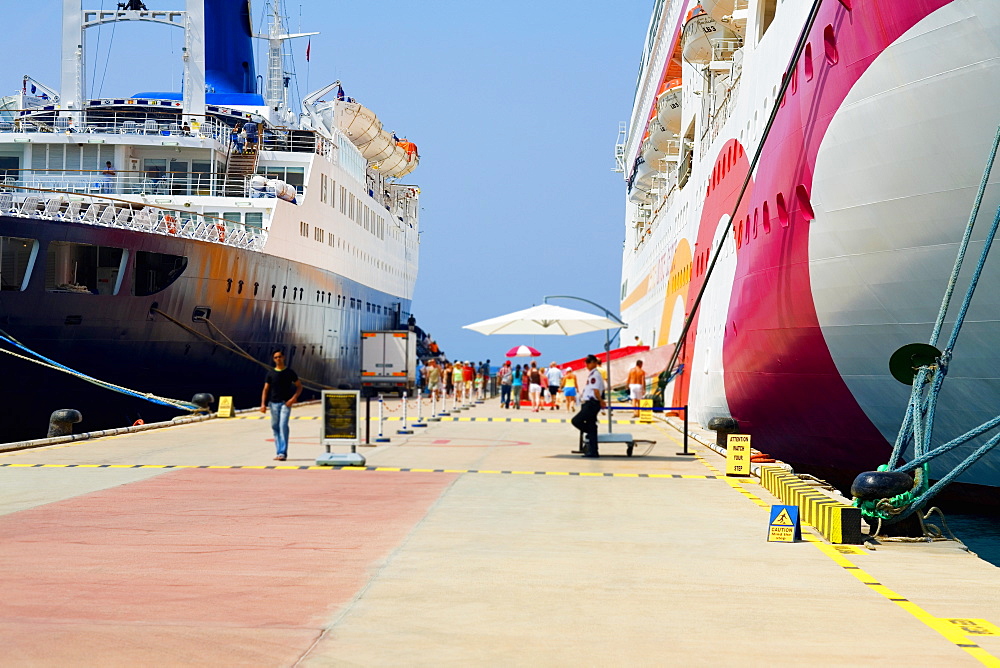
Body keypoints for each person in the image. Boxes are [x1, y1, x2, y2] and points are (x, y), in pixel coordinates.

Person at [260, 350, 303, 461]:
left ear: (283, 357)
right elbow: (265, 389)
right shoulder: (270, 374)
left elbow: (299, 386)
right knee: (275, 427)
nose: (278, 359)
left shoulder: (290, 372)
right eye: (275, 357)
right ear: (274, 359)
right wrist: (263, 404)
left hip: (285, 403)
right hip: (273, 404)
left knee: (283, 426)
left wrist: (293, 399)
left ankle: (282, 453)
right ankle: (279, 452)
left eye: (279, 357)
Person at [571, 354, 606, 458]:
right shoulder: (593, 374)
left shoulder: (595, 375)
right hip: (590, 402)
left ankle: (590, 433)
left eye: (588, 362)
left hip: (592, 403)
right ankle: (593, 451)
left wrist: (600, 400)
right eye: (586, 362)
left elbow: (595, 391)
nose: (587, 365)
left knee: (576, 420)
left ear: (594, 363)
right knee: (591, 425)